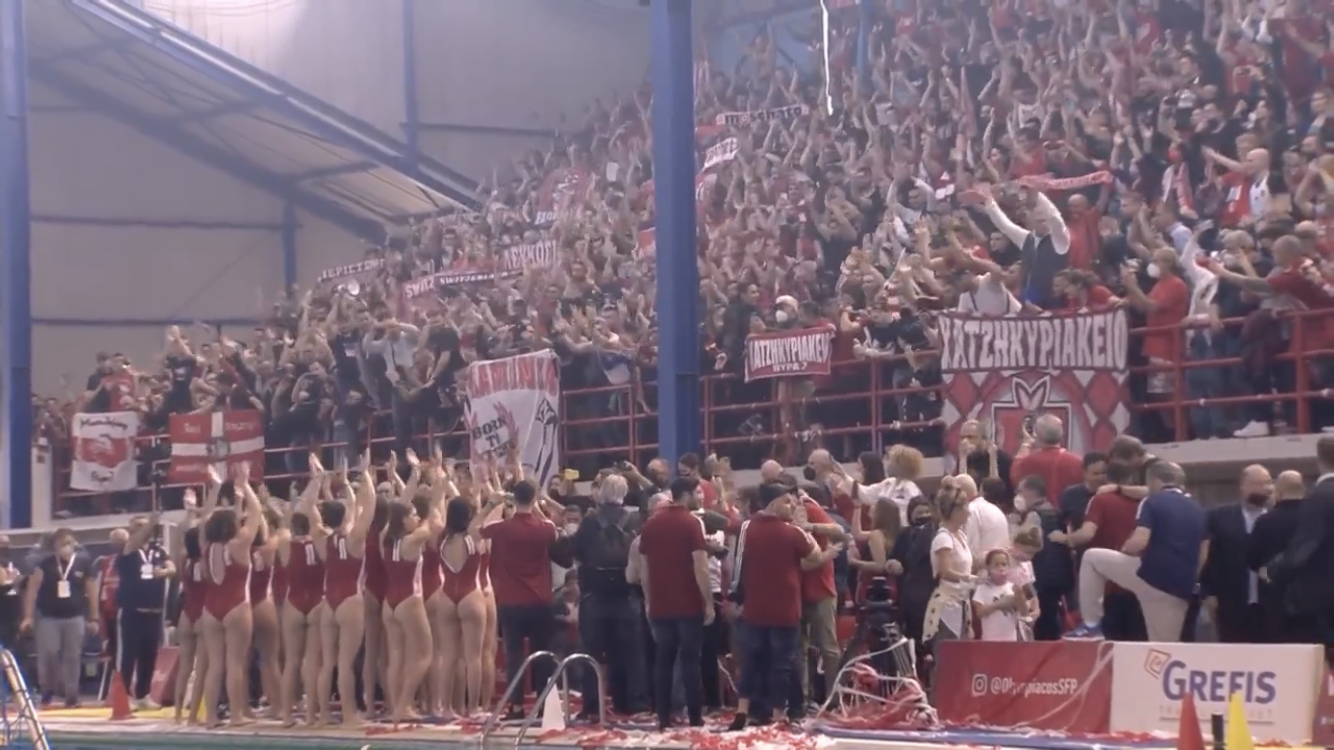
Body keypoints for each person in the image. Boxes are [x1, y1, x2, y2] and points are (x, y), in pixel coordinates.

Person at [728, 481, 838, 731]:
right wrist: (809, 533)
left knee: (751, 660)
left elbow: (738, 564)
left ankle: (743, 709)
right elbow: (814, 555)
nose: (791, 507)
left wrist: (735, 596)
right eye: (787, 502)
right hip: (785, 606)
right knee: (782, 662)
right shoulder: (792, 532)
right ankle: (779, 714)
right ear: (775, 503)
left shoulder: (747, 527)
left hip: (755, 605)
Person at [1068, 462, 1206, 642]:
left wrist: (1125, 549)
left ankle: (1091, 626)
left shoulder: (1151, 501)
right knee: (1164, 646)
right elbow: (1204, 550)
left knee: (1092, 558)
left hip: (1150, 576)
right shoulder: (1198, 509)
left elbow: (1140, 541)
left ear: (1154, 481)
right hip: (1180, 588)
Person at [638, 476, 713, 730]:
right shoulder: (692, 523)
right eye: (698, 492)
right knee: (690, 661)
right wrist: (708, 602)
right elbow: (701, 567)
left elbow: (644, 568)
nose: (702, 497)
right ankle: (695, 717)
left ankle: (663, 717)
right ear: (686, 494)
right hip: (688, 602)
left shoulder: (651, 524)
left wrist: (649, 599)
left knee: (663, 660)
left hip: (661, 603)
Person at [480, 478, 558, 720]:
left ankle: (516, 706)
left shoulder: (502, 528)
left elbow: (475, 529)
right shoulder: (545, 528)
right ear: (534, 499)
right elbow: (554, 525)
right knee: (542, 654)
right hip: (540, 599)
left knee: (514, 654)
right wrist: (536, 506)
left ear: (514, 499)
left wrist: (491, 504)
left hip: (511, 601)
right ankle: (543, 703)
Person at [570, 473, 644, 718]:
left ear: (601, 492)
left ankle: (592, 705)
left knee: (591, 653)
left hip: (594, 595)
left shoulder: (590, 520)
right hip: (626, 595)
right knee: (628, 653)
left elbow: (576, 551)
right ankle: (630, 702)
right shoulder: (634, 518)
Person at [1049, 460, 1147, 641]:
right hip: (1139, 578)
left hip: (1105, 582)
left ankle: (1091, 626)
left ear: (1108, 478)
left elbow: (1087, 534)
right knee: (1136, 640)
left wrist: (1064, 539)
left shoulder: (1100, 500)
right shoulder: (1145, 501)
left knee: (1108, 641)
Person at [310, 458, 376, 727]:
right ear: (345, 516)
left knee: (328, 663)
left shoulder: (321, 538)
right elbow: (370, 506)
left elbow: (309, 508)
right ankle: (349, 714)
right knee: (346, 663)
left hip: (329, 603)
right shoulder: (354, 539)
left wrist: (318, 479)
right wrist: (365, 473)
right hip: (350, 600)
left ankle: (323, 715)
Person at [198, 466, 264, 728]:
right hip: (237, 605)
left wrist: (215, 488)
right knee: (236, 663)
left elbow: (205, 517)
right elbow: (256, 512)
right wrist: (245, 485)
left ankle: (211, 717)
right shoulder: (239, 544)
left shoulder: (205, 546)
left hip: (210, 609)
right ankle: (236, 714)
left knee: (215, 666)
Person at [1267, 437, 1334, 647]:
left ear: (1320, 460)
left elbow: (1305, 545)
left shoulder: (1320, 497)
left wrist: (1274, 569)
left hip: (1322, 598)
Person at [21, 527, 96, 707]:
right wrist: (28, 617)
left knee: (73, 656)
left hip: (75, 616)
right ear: (54, 545)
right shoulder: (44, 564)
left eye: (69, 543)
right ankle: (47, 689)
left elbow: (91, 590)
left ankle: (72, 695)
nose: (66, 547)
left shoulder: (83, 563)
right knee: (49, 654)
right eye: (62, 543)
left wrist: (94, 617)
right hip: (49, 617)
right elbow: (32, 590)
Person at [1201, 464, 1272, 643]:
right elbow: (1211, 557)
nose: (1263, 488)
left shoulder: (1275, 519)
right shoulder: (1219, 517)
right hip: (1230, 600)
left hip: (1267, 604)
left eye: (1267, 483)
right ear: (1243, 486)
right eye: (1257, 483)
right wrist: (1209, 592)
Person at [116, 512, 174, 710]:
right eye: (138, 526)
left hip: (154, 610)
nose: (144, 529)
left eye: (144, 525)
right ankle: (124, 695)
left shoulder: (159, 550)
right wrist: (151, 523)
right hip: (133, 610)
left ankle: (143, 694)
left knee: (150, 654)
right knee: (129, 655)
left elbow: (172, 566)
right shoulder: (128, 549)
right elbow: (136, 540)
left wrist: (164, 571)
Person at [1249, 471, 1306, 643]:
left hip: (1273, 597)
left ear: (1278, 492)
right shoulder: (1314, 517)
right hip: (1309, 596)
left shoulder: (1265, 521)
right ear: (1303, 490)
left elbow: (1252, 560)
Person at [1010, 415, 1083, 505]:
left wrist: (1026, 443)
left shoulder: (1028, 462)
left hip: (1038, 511)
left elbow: (1015, 475)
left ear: (1037, 435)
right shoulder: (1078, 462)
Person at [972, 550, 1023, 642]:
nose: (1001, 568)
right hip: (989, 639)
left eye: (1004, 564)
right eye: (996, 565)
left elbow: (1024, 613)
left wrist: (1020, 597)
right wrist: (1000, 604)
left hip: (1011, 639)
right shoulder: (982, 588)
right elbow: (980, 612)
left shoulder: (1012, 587)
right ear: (988, 567)